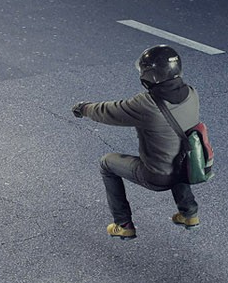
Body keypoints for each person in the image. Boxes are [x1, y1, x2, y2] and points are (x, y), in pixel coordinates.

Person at [72, 45, 203, 239]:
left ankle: (123, 224)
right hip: (187, 168)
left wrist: (83, 108)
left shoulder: (147, 104)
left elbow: (109, 111)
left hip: (156, 176)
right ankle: (189, 213)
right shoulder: (192, 93)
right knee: (176, 150)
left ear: (150, 75)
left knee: (107, 163)